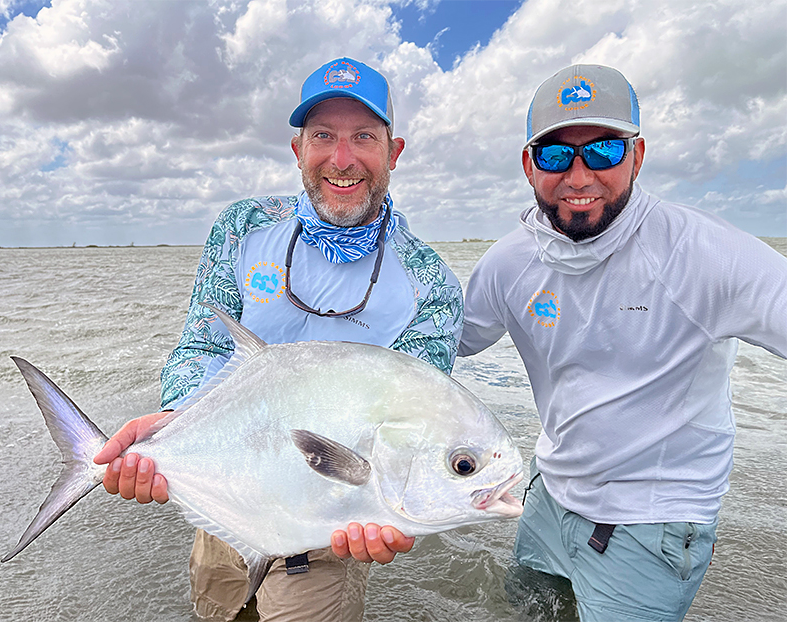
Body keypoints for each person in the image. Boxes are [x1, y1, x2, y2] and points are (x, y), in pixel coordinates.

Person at [335, 64, 787, 621]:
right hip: (547, 495)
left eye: (603, 152)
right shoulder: (509, 263)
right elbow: (436, 345)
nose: (579, 176)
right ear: (529, 165)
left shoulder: (706, 256)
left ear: (637, 156)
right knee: (527, 612)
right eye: (555, 155)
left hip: (653, 521)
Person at [93, 57, 462, 622]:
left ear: (394, 151)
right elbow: (204, 346)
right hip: (223, 510)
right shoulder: (241, 230)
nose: (342, 160)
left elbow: (419, 424)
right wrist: (174, 421)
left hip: (328, 535)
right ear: (297, 150)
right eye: (323, 136)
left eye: (364, 136)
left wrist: (401, 513)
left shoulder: (429, 284)